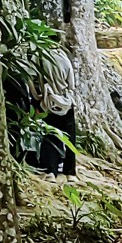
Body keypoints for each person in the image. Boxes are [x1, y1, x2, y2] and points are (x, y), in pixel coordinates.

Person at [38, 43, 77, 176]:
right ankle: (70, 171)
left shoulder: (40, 58)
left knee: (50, 137)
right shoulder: (65, 58)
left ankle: (51, 171)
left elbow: (34, 83)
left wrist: (39, 97)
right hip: (66, 103)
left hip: (48, 103)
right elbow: (71, 85)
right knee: (70, 138)